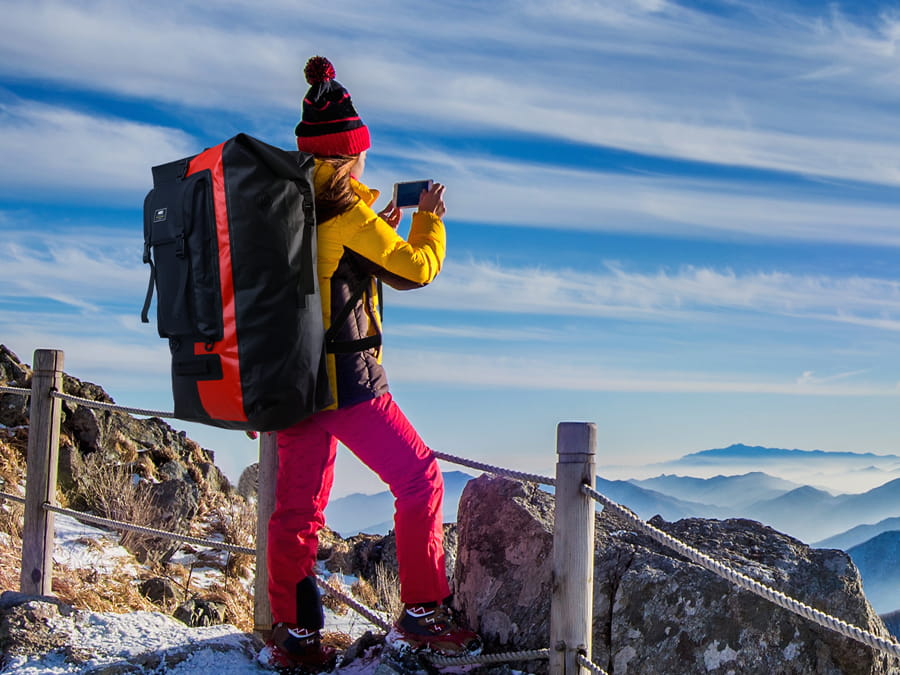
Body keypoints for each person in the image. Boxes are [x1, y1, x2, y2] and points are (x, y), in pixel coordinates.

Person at [258, 56, 482, 672]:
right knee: (421, 480)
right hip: (346, 385)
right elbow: (417, 269)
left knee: (297, 510)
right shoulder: (347, 213)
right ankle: (422, 614)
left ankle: (295, 636)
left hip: (291, 384)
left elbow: (323, 274)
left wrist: (375, 228)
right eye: (361, 154)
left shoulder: (287, 207)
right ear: (350, 154)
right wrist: (429, 218)